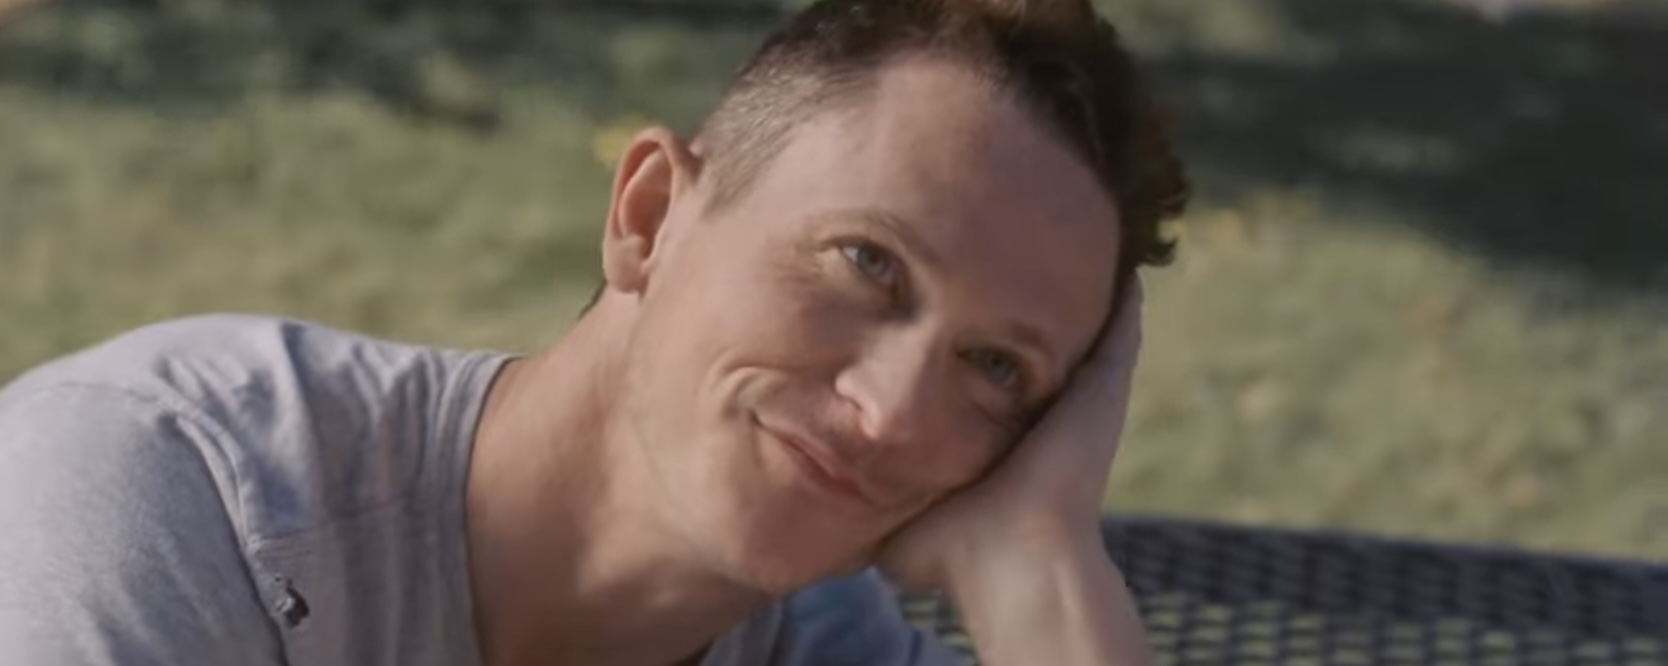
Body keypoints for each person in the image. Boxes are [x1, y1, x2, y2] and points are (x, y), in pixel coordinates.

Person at [0, 0, 1189, 663]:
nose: (891, 413)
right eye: (868, 263)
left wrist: (1039, 561)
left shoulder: (819, 645)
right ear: (651, 215)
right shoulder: (162, 501)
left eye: (995, 367)